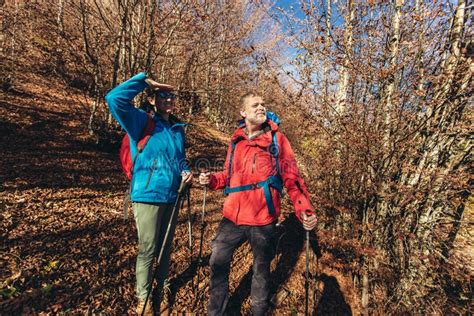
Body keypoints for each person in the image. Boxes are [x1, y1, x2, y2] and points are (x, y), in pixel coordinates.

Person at [199, 92, 317, 316]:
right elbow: (228, 175)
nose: (261, 107)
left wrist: (305, 209)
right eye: (255, 105)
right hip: (232, 216)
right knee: (217, 263)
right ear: (243, 112)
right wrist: (212, 180)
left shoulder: (277, 140)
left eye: (263, 104)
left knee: (261, 272)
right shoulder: (235, 142)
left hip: (263, 219)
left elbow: (292, 178)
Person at [105, 72, 192, 315]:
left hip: (172, 195)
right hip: (147, 194)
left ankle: (161, 288)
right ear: (152, 99)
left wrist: (186, 172)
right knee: (148, 248)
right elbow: (113, 99)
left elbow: (178, 159)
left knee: (165, 249)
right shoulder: (141, 121)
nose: (168, 99)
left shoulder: (177, 129)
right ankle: (143, 297)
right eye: (162, 95)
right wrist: (144, 82)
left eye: (171, 96)